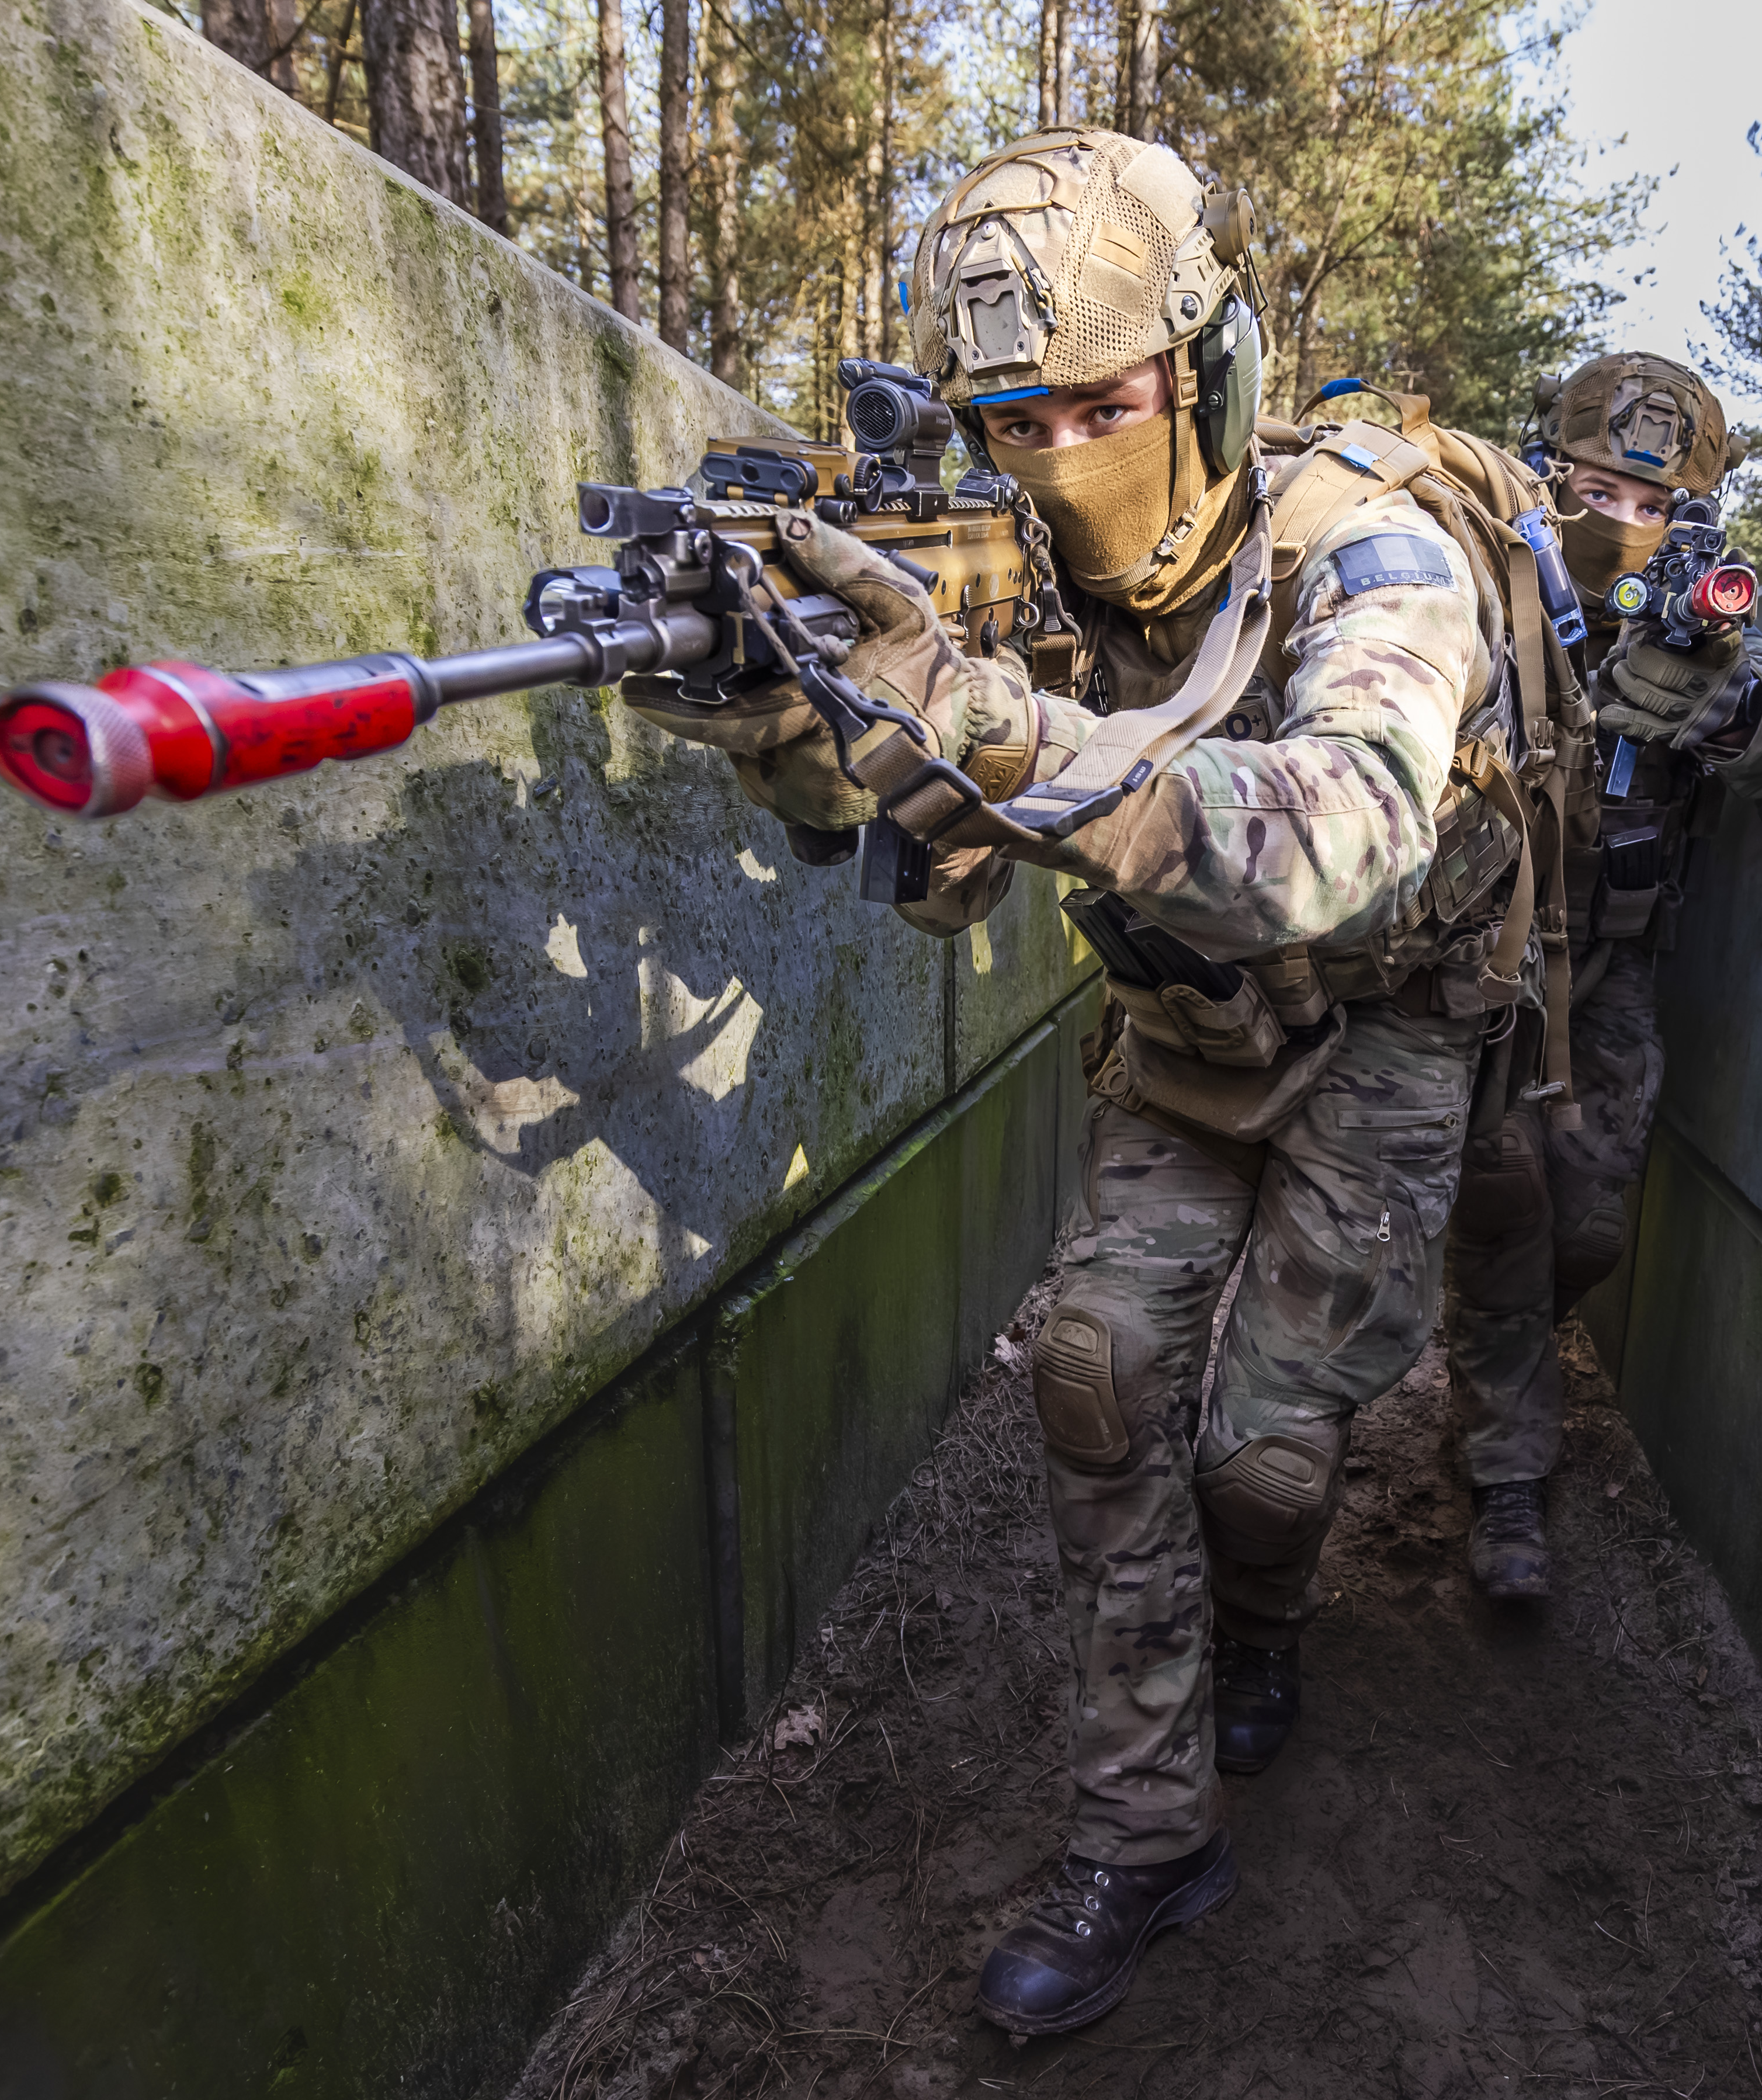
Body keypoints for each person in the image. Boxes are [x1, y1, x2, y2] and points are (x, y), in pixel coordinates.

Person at [632, 127, 1555, 2034]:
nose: (1053, 452)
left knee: (1267, 1453)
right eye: (1005, 416)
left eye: (1096, 402)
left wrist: (993, 721)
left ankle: (1270, 1621)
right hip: (1182, 1035)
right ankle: (1147, 1829)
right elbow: (941, 872)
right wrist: (809, 731)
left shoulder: (1363, 550)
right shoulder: (1018, 570)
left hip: (1388, 1032)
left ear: (1202, 372)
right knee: (1093, 1368)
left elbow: (1342, 831)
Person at [1441, 352, 1762, 1598]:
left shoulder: (1697, 621)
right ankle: (1505, 1474)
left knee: (1593, 1223)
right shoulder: (1478, 594)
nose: (1616, 521)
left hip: (1606, 972)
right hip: (1481, 965)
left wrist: (1715, 709)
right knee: (1501, 1200)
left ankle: (1502, 1353)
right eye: (1590, 488)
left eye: (1646, 503)